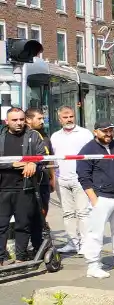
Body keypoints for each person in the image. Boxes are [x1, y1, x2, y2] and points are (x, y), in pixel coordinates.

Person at [75, 121, 114, 279]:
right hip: (101, 198)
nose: (109, 134)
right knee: (95, 233)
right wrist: (94, 200)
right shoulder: (88, 150)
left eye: (111, 131)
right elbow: (84, 177)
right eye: (105, 131)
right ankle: (93, 265)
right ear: (95, 131)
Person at [0, 108, 48, 264]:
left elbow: (44, 156)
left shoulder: (33, 136)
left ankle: (20, 258)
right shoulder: (1, 136)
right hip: (3, 188)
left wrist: (33, 162)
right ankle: (1, 258)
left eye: (21, 119)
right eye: (14, 120)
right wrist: (13, 164)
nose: (19, 123)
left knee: (23, 224)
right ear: (7, 121)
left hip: (25, 188)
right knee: (1, 226)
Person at [49, 106, 93, 255]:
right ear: (59, 119)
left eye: (71, 117)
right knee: (68, 213)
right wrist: (53, 178)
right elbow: (52, 159)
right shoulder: (55, 136)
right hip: (62, 180)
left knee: (83, 213)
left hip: (81, 179)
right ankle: (72, 242)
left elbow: (93, 155)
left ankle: (86, 244)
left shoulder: (85, 134)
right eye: (65, 117)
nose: (69, 120)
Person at [24, 107, 53, 257]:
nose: (42, 121)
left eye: (43, 119)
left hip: (43, 181)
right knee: (30, 214)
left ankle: (38, 245)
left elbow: (49, 158)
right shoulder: (28, 136)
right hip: (30, 182)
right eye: (39, 119)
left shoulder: (44, 135)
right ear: (29, 120)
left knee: (41, 214)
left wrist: (52, 178)